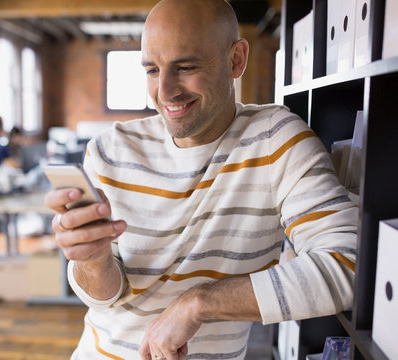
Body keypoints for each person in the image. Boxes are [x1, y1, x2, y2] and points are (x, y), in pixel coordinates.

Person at [44, 0, 357, 359]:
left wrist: (199, 303)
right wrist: (92, 259)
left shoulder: (276, 141)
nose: (164, 91)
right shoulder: (109, 150)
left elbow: (348, 265)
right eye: (151, 70)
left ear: (236, 60)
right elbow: (104, 298)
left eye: (186, 66)